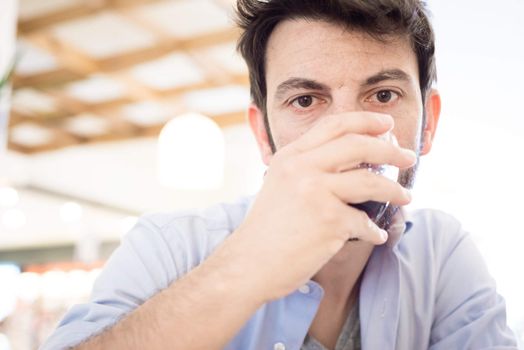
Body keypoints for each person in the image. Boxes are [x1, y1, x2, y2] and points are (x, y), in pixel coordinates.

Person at [41, 0, 518, 349]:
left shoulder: (442, 257)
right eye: (306, 101)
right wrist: (244, 268)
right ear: (264, 135)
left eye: (384, 96)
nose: (344, 135)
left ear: (428, 123)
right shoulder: (168, 245)